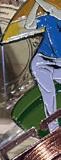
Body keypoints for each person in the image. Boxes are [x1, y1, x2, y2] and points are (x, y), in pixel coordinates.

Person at [25, 0, 61, 132]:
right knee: (49, 94)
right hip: (42, 63)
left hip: (58, 65)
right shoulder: (50, 19)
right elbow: (29, 25)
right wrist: (36, 4)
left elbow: (53, 9)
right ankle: (54, 129)